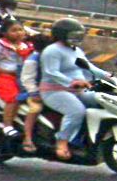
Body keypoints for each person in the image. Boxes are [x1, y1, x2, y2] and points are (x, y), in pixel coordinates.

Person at [39, 18, 111, 161]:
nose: (78, 38)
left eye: (79, 35)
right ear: (62, 35)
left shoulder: (76, 50)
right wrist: (72, 82)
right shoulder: (52, 51)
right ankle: (62, 142)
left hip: (77, 90)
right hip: (54, 91)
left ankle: (82, 137)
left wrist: (108, 76)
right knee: (76, 111)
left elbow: (89, 67)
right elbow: (52, 73)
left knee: (101, 101)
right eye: (74, 35)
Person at [0, 18, 32, 134]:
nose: (18, 33)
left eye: (20, 30)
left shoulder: (26, 46)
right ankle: (7, 125)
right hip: (3, 77)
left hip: (22, 77)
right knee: (14, 96)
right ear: (4, 33)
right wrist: (7, 72)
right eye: (14, 30)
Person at [19, 33, 51, 153]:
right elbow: (27, 79)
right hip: (33, 92)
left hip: (49, 90)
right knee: (36, 109)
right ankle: (27, 138)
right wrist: (34, 94)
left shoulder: (50, 58)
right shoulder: (32, 61)